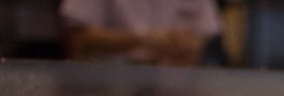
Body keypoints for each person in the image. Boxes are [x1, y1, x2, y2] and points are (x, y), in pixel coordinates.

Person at [59, 0, 222, 66]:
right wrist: (143, 39)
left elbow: (203, 36)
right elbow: (82, 38)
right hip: (105, 95)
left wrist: (188, 45)